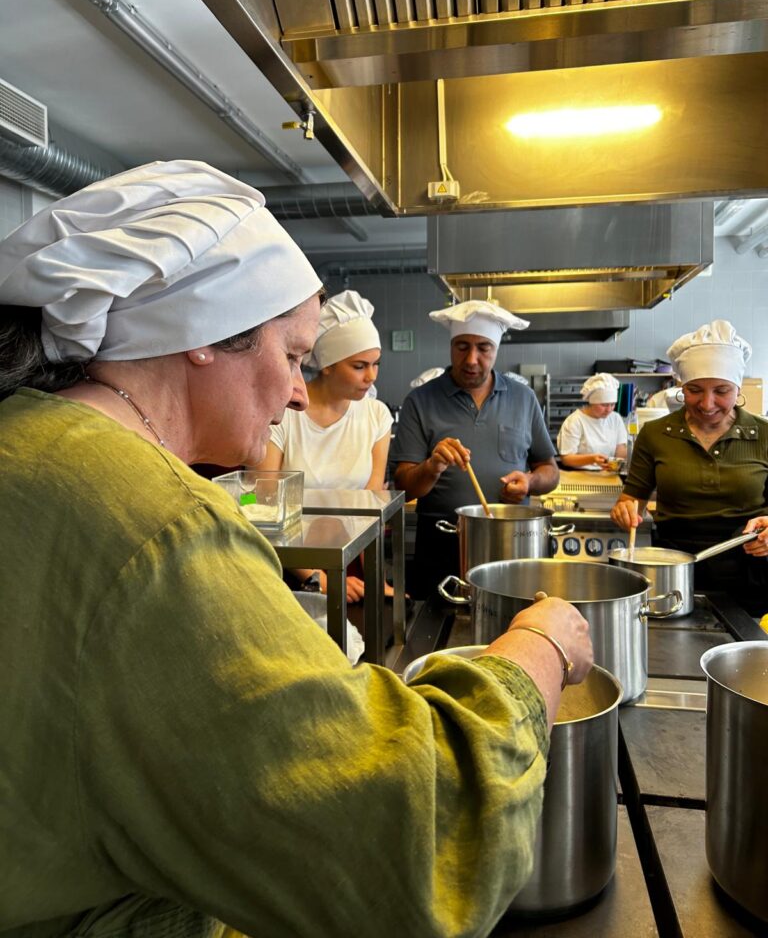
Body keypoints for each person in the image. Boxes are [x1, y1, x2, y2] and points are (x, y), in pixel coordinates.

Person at [0, 160, 593, 938]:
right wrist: (540, 646)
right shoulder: (156, 524)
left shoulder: (27, 443)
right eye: (289, 356)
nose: (295, 391)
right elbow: (406, 845)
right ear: (201, 338)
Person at [391, 300, 559, 600]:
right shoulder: (421, 401)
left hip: (510, 542)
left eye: (483, 348)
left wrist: (530, 481)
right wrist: (431, 467)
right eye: (462, 347)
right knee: (436, 622)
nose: (471, 359)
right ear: (450, 347)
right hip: (442, 541)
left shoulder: (523, 399)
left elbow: (550, 470)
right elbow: (404, 485)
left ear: (496, 349)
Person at [611, 320, 768, 614]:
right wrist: (625, 511)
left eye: (721, 390)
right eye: (694, 390)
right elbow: (631, 500)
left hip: (749, 570)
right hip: (672, 569)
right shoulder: (656, 433)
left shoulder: (763, 434)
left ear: (738, 388)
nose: (707, 404)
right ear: (680, 387)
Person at [257, 289, 392, 602]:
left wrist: (374, 580)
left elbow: (369, 508)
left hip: (349, 564)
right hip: (286, 566)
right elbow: (260, 503)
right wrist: (314, 577)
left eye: (376, 364)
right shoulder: (284, 414)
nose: (371, 376)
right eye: (359, 366)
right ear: (328, 364)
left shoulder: (376, 416)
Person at [557, 373, 628, 469]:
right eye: (604, 405)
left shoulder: (616, 419)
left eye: (612, 404)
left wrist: (627, 455)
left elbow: (620, 451)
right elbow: (566, 459)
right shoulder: (575, 421)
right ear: (592, 402)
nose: (609, 409)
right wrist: (592, 459)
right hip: (579, 474)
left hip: (608, 473)